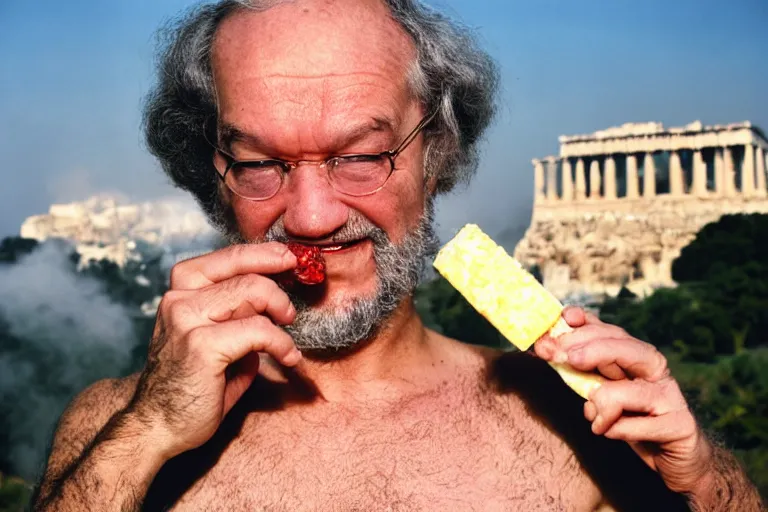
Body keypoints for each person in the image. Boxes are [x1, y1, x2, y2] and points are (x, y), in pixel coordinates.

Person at [32, 0, 762, 510]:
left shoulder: (572, 422)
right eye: (259, 164)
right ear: (213, 173)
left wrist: (705, 481)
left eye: (361, 156)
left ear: (436, 154)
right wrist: (145, 435)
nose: (312, 217)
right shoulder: (115, 427)